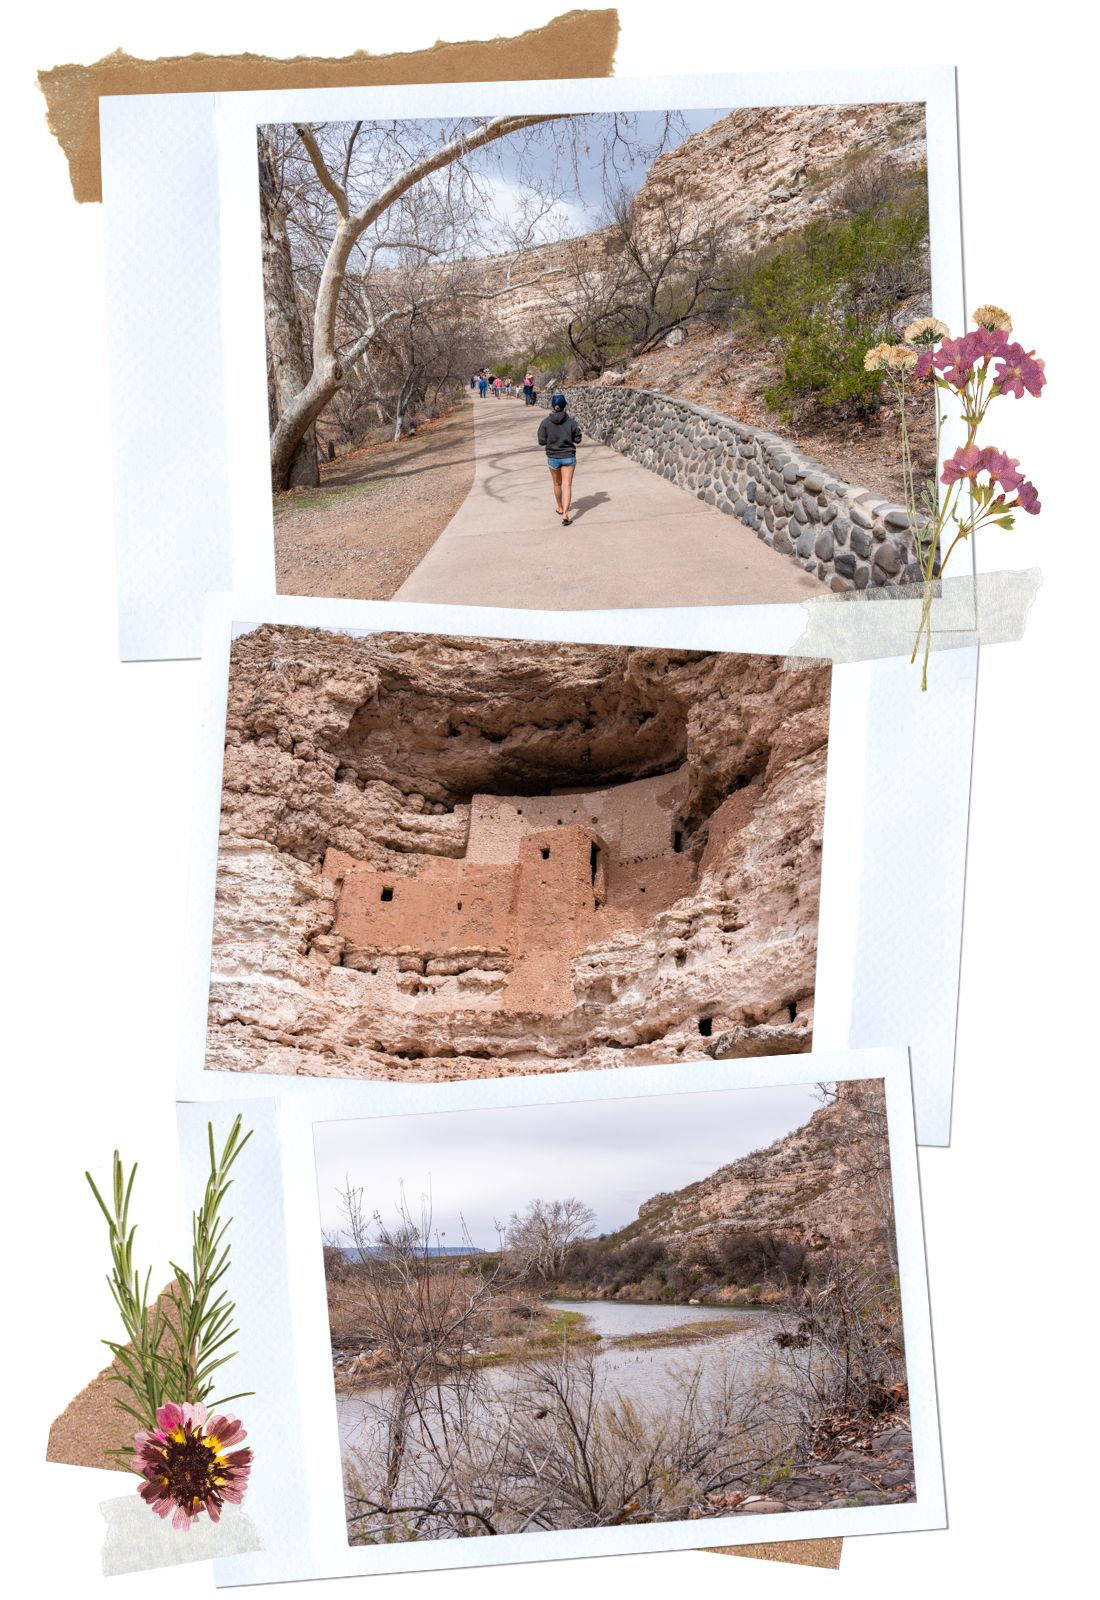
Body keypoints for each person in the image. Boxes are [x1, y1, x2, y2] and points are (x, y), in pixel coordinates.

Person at [537, 392, 582, 525]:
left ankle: (560, 507)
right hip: (569, 456)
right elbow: (578, 439)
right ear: (565, 405)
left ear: (552, 405)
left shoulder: (545, 423)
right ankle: (565, 514)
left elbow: (541, 441)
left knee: (557, 484)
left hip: (553, 457)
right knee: (567, 485)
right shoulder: (571, 422)